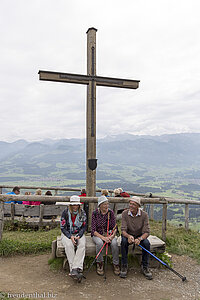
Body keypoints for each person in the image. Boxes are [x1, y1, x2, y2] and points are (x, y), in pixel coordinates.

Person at [120, 196, 152, 279]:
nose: (131, 206)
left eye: (133, 204)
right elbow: (123, 230)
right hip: (128, 234)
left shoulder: (144, 215)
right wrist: (128, 236)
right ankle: (124, 265)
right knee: (123, 242)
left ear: (138, 206)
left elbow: (146, 232)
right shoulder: (125, 213)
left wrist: (140, 239)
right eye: (130, 204)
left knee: (146, 243)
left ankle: (145, 266)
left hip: (139, 235)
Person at [91, 195, 120, 276]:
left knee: (114, 243)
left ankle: (116, 264)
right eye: (104, 204)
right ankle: (99, 263)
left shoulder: (110, 213)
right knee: (99, 243)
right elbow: (93, 230)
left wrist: (111, 236)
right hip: (98, 234)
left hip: (109, 233)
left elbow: (115, 227)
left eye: (107, 204)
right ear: (100, 205)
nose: (106, 206)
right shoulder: (95, 213)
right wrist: (103, 238)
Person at [60, 195, 87, 280]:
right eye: (73, 205)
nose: (75, 207)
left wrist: (79, 235)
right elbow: (63, 227)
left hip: (78, 233)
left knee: (82, 245)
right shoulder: (65, 213)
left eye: (76, 205)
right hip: (67, 233)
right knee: (69, 245)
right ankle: (73, 269)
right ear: (70, 205)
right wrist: (70, 236)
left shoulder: (82, 212)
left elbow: (84, 226)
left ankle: (76, 268)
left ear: (79, 205)